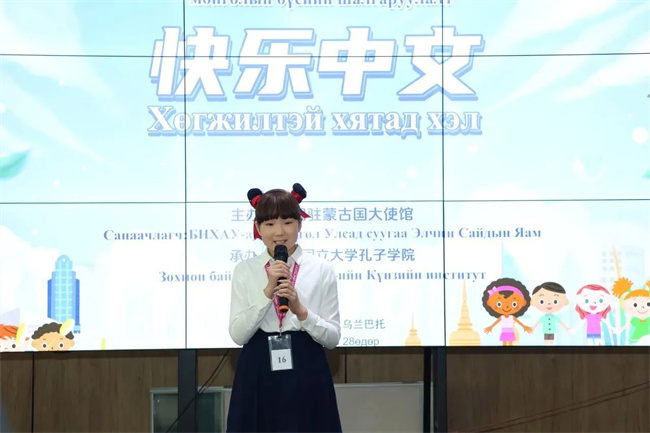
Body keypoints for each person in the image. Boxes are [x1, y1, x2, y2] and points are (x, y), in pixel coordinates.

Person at [226, 183, 342, 433]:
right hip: (258, 365)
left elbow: (333, 338)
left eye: (288, 222)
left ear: (300, 224)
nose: (279, 232)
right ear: (258, 228)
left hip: (307, 363)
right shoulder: (245, 270)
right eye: (269, 224)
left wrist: (302, 312)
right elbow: (238, 335)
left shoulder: (321, 269)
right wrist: (267, 292)